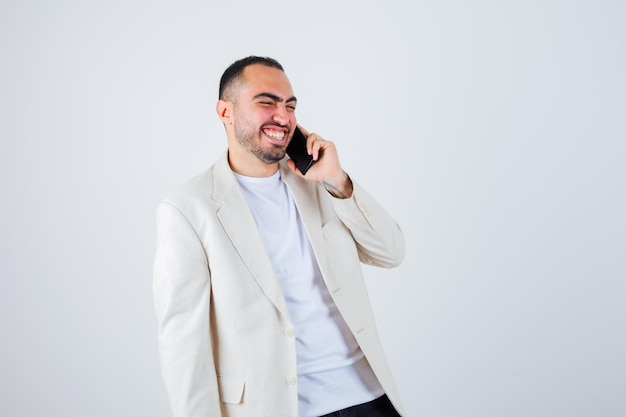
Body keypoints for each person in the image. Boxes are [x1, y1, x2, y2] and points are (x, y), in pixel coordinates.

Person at [153, 56, 405, 417]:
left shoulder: (318, 182)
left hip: (368, 398)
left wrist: (338, 181)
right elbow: (183, 347)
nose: (283, 117)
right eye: (266, 102)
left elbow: (391, 252)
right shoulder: (188, 209)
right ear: (225, 111)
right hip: (274, 407)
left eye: (290, 105)